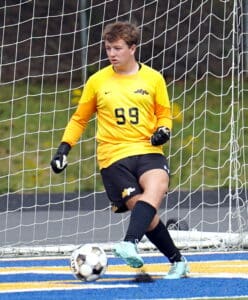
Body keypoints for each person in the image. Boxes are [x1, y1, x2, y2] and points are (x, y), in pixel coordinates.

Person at [50, 21, 189, 279]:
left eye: (117, 48)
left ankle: (129, 244)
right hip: (113, 156)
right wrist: (63, 149)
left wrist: (164, 130)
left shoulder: (153, 78)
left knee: (156, 187)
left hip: (148, 151)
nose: (112, 54)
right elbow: (79, 119)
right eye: (108, 49)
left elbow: (164, 114)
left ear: (133, 48)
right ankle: (178, 260)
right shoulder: (97, 81)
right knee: (142, 210)